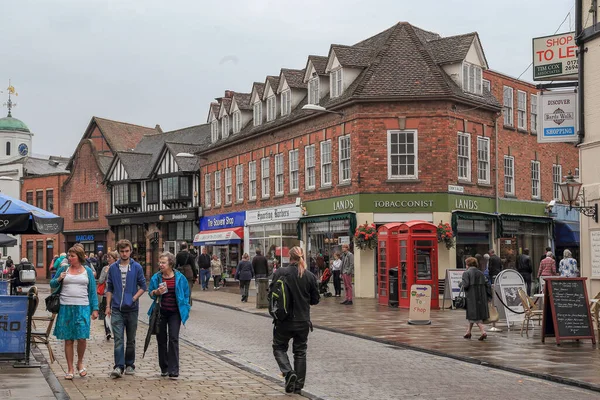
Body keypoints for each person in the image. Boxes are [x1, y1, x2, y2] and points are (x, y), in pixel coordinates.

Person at [271, 246, 319, 394]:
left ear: (289, 256)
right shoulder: (309, 275)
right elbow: (315, 299)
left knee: (279, 347)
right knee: (300, 352)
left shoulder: (280, 272)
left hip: (283, 320)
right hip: (303, 320)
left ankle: (288, 372)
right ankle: (298, 385)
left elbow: (272, 294)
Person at [51, 246, 99, 380]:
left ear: (79, 256)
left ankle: (80, 362)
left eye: (72, 256)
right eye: (69, 256)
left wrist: (95, 308)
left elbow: (92, 291)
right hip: (66, 307)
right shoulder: (63, 269)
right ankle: (70, 368)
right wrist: (59, 278)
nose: (69, 258)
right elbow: (53, 284)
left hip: (83, 306)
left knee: (82, 337)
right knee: (68, 339)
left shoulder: (87, 271)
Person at [105, 239, 147, 379]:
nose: (124, 254)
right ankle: (118, 366)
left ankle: (130, 364)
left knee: (131, 339)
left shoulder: (136, 267)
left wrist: (133, 298)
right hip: (117, 308)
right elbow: (109, 288)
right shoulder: (113, 268)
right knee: (118, 339)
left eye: (127, 251)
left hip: (132, 309)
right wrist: (108, 306)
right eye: (122, 251)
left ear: (130, 251)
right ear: (119, 252)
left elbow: (143, 286)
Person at [148, 252, 190, 379]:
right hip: (161, 312)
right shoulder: (156, 277)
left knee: (173, 338)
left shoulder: (180, 278)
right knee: (161, 340)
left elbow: (187, 293)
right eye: (160, 262)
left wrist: (186, 306)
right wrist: (156, 292)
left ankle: (174, 369)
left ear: (170, 263)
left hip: (175, 313)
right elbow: (150, 293)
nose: (161, 265)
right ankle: (164, 367)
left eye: (163, 262)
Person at [460, 257, 491, 341]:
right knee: (473, 314)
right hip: (482, 296)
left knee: (474, 315)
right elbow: (488, 284)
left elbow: (465, 285)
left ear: (468, 264)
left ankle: (483, 331)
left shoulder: (466, 273)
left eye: (466, 264)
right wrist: (489, 296)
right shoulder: (481, 273)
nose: (465, 266)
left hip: (472, 297)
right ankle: (468, 332)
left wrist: (461, 284)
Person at [98, 251, 118, 340]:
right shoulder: (105, 268)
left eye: (110, 258)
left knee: (115, 314)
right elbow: (101, 281)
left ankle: (114, 331)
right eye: (107, 258)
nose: (108, 260)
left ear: (115, 259)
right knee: (107, 313)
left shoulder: (118, 268)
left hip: (116, 295)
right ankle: (108, 332)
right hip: (107, 294)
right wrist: (105, 272)